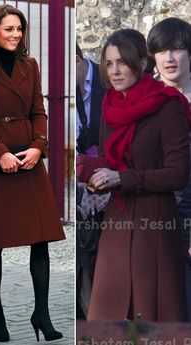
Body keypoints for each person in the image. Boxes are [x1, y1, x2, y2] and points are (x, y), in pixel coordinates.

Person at [0, 5, 65, 342]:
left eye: (19, 29)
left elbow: (39, 109)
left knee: (41, 238)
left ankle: (43, 313)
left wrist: (39, 146)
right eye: (9, 29)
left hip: (30, 161)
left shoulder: (29, 65)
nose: (16, 35)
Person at [87, 28, 191, 322]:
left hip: (155, 225)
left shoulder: (168, 104)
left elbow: (177, 174)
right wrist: (93, 180)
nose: (115, 70)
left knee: (154, 320)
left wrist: (123, 178)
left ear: (142, 63)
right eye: (108, 63)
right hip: (116, 225)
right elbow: (108, 161)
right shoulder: (109, 106)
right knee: (108, 320)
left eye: (122, 61)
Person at [147, 17, 191, 321]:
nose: (170, 58)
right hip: (159, 212)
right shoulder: (143, 99)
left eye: (177, 49)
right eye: (162, 51)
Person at [76, 42, 108, 319]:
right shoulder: (62, 90)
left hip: (108, 181)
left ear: (77, 61)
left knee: (102, 252)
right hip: (74, 183)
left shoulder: (105, 79)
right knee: (83, 254)